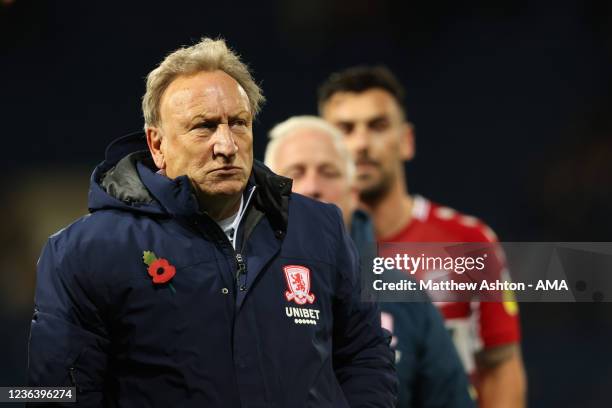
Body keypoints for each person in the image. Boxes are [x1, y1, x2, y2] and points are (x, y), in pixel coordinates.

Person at [27, 39, 397, 407]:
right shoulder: (84, 251)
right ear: (157, 145)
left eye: (238, 123)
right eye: (203, 127)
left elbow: (366, 355)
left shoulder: (322, 228)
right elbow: (53, 394)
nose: (226, 145)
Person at [318, 66, 527, 407]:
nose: (361, 143)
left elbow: (501, 364)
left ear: (407, 141)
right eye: (345, 129)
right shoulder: (309, 250)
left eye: (378, 126)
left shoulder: (467, 241)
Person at [265, 115, 474, 408]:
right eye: (295, 172)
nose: (313, 187)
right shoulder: (238, 283)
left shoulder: (405, 295)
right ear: (268, 193)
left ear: (353, 194)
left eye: (329, 172)